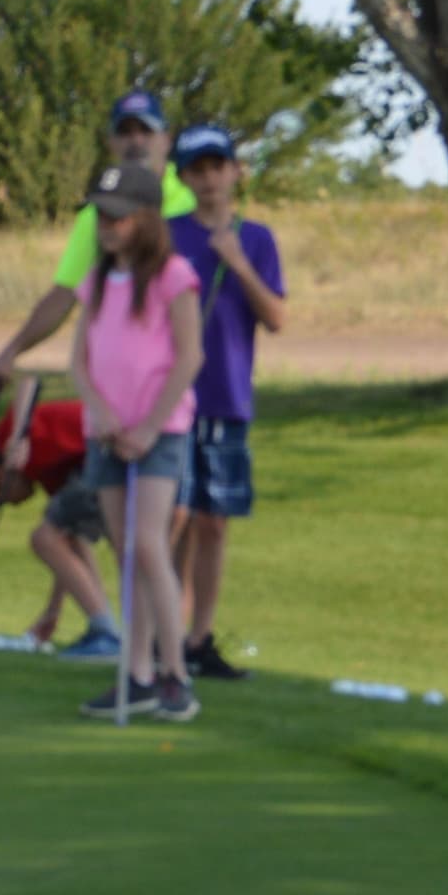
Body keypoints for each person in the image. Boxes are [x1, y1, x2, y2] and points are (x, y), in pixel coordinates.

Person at [67, 159, 206, 725]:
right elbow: (78, 360)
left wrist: (149, 423)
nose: (107, 227)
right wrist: (99, 411)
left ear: (148, 219)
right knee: (127, 554)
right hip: (106, 432)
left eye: (119, 218)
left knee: (149, 546)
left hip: (160, 430)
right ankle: (137, 674)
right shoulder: (97, 281)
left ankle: (174, 672)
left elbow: (189, 356)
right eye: (102, 216)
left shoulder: (173, 275)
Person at [166, 121, 286, 682]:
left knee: (214, 522)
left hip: (227, 395)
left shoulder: (257, 239)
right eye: (198, 169)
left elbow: (277, 317)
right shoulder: (165, 236)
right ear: (184, 177)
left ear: (236, 171)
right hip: (170, 396)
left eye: (218, 166)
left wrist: (236, 262)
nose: (210, 178)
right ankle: (164, 633)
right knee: (173, 517)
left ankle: (199, 638)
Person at [0, 87, 193, 393]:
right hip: (128, 385)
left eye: (145, 131)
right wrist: (11, 351)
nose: (135, 141)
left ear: (166, 139)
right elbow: (65, 293)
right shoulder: (97, 214)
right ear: (111, 142)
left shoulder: (191, 199)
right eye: (125, 132)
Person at [0, 381, 120, 658]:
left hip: (103, 450)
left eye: (4, 500)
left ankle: (106, 633)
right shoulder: (50, 475)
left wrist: (19, 435)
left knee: (42, 538)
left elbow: (29, 381)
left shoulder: (8, 440)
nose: (15, 504)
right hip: (99, 459)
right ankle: (105, 628)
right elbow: (69, 549)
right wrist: (53, 611)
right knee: (66, 538)